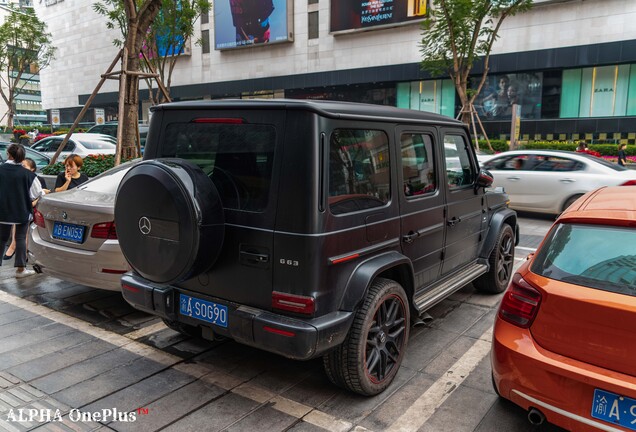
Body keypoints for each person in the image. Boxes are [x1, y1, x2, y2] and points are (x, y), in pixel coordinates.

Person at [0, 144, 42, 278]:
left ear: (8, 154)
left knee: (1, 239)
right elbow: (37, 193)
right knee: (20, 238)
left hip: (2, 211)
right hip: (21, 211)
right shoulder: (29, 175)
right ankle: (20, 269)